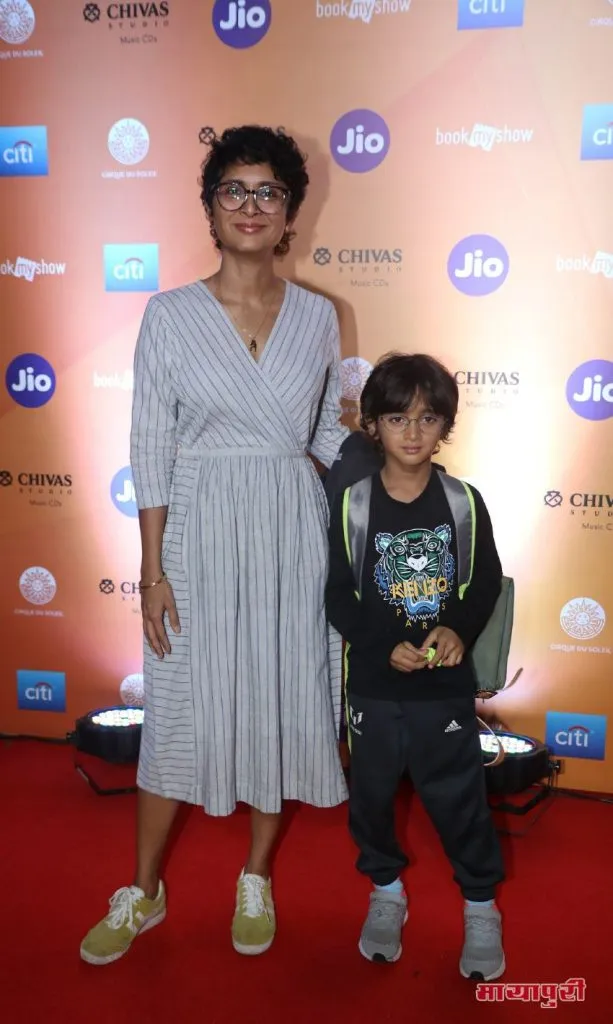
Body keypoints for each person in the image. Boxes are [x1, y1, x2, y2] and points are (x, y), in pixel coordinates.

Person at [80, 125, 349, 966]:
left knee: (281, 698)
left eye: (268, 191)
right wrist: (151, 569)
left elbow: (329, 447)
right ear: (207, 207)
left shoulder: (319, 317)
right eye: (233, 189)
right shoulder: (167, 316)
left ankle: (257, 875)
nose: (250, 206)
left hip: (287, 531)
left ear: (289, 213)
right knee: (179, 712)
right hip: (197, 532)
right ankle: (144, 892)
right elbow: (148, 448)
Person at [325, 353, 506, 980]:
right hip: (373, 686)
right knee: (371, 798)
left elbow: (484, 585)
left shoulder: (463, 502)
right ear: (372, 423)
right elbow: (336, 593)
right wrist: (379, 646)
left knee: (458, 800)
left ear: (445, 426)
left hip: (442, 691)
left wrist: (456, 628)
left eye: (428, 419)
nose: (412, 432)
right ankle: (386, 892)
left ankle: (480, 903)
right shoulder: (351, 505)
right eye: (397, 417)